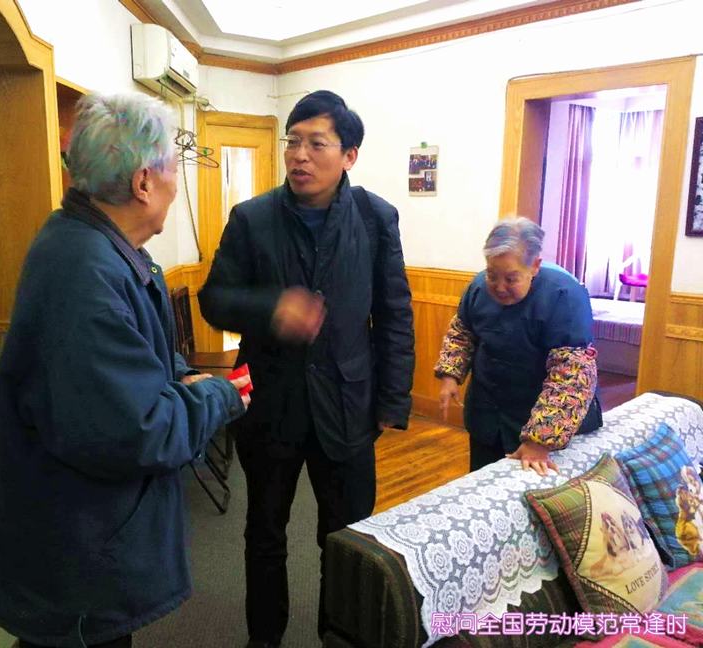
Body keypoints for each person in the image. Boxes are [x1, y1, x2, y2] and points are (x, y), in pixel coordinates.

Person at [0, 93, 251, 648]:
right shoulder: (86, 273)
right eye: (174, 169)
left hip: (77, 541)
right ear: (144, 182)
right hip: (75, 555)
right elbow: (139, 431)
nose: (177, 185)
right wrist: (221, 395)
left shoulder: (94, 244)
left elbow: (140, 356)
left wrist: (180, 378)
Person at [198, 90, 415, 648]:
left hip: (348, 406)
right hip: (270, 406)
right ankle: (264, 638)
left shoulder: (376, 218)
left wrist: (393, 400)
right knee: (264, 534)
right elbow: (214, 299)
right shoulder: (252, 218)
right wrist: (272, 308)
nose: (299, 155)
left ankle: (336, 636)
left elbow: (394, 312)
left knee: (346, 540)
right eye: (292, 141)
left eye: (317, 143)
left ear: (349, 155)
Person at [434, 217, 602, 476]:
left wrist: (539, 440)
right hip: (488, 414)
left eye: (511, 279)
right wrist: (450, 376)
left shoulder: (564, 296)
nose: (499, 287)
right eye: (492, 275)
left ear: (535, 266)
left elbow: (572, 376)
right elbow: (462, 333)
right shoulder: (478, 288)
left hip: (545, 424)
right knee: (483, 484)